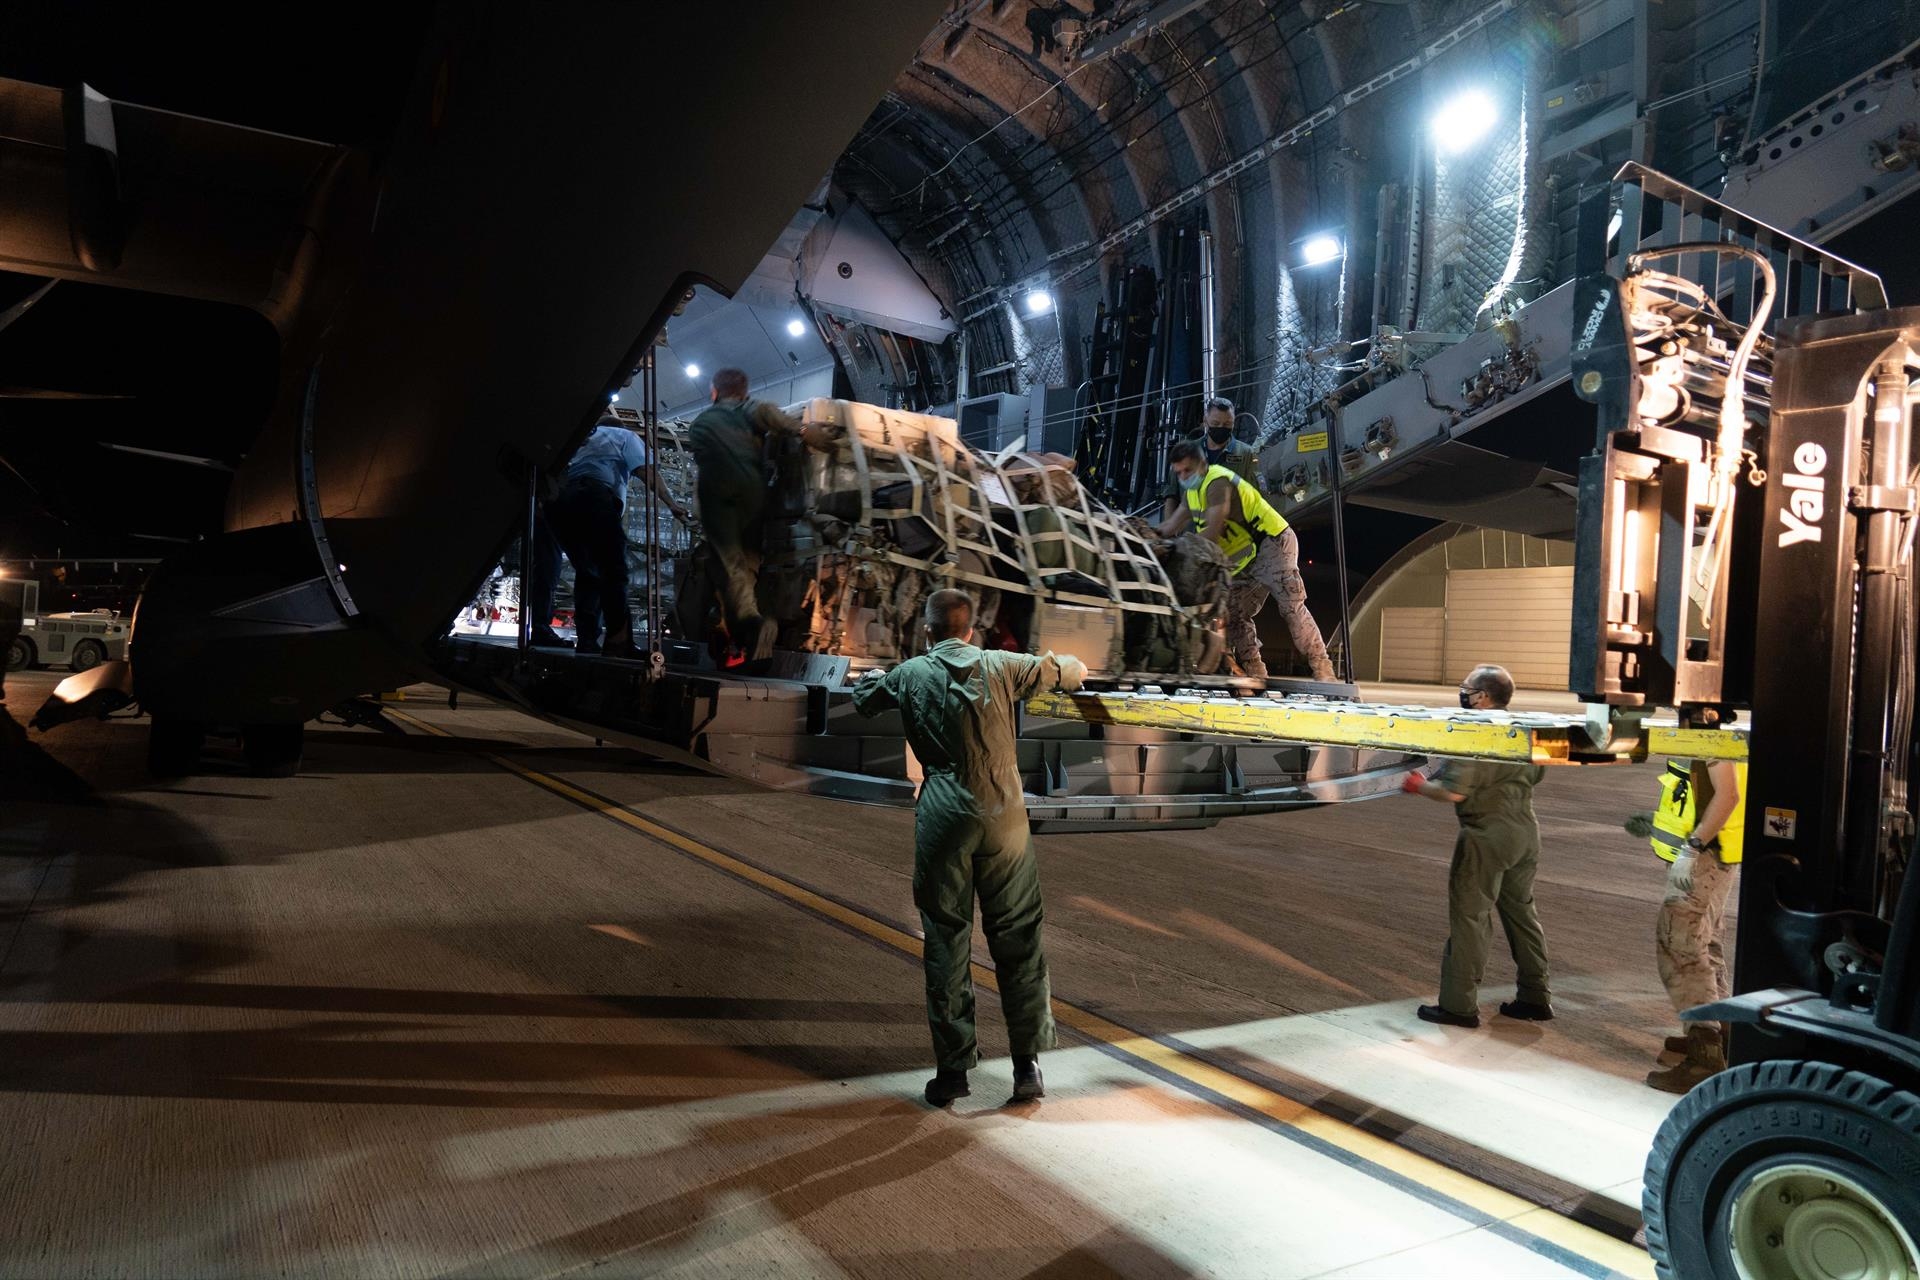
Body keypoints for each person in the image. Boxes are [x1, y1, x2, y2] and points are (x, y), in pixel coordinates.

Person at [851, 588, 1088, 1107]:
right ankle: (1027, 1067)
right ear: (971, 630)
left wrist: (871, 680)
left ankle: (953, 1072)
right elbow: (1067, 669)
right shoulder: (1001, 665)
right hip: (1004, 814)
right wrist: (1069, 665)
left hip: (943, 814)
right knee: (1019, 935)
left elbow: (865, 701)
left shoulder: (910, 672)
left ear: (928, 631)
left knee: (946, 938)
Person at [1401, 664, 1554, 1027]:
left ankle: (1458, 1006)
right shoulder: (1527, 729)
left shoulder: (1475, 733)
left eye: (1467, 688)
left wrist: (1418, 784)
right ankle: (1536, 997)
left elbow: (1452, 791)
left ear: (1483, 697)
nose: (1463, 693)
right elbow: (1541, 771)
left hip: (1486, 835)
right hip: (1525, 832)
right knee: (1522, 914)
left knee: (1471, 917)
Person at [1157, 438, 1335, 681]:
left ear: (1202, 464)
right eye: (1178, 472)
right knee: (1233, 611)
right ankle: (1255, 672)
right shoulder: (1192, 493)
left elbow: (1212, 532)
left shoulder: (1217, 482)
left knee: (1290, 605)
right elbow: (1170, 525)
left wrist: (1180, 556)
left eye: (1187, 470)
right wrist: (1147, 536)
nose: (1183, 476)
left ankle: (1322, 668)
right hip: (1245, 558)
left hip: (1272, 544)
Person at [1626, 754, 1745, 1093]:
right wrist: (1655, 822)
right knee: (1705, 943)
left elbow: (1728, 796)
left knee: (1680, 945)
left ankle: (1704, 1053)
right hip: (1710, 853)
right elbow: (1697, 798)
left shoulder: (1712, 736)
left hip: (1705, 857)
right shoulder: (1702, 733)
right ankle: (1722, 1033)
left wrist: (1692, 847)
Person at [687, 368, 816, 662]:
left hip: (717, 495)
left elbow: (701, 457)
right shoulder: (753, 408)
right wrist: (805, 431)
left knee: (729, 565)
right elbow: (779, 419)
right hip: (754, 494)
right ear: (744, 392)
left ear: (714, 393)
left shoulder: (702, 421)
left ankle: (751, 623)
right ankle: (749, 618)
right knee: (749, 562)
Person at [533, 415, 688, 657]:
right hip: (594, 498)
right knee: (614, 572)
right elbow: (645, 471)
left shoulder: (581, 440)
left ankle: (587, 641)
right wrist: (672, 504)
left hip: (561, 504)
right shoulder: (624, 436)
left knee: (589, 574)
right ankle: (619, 642)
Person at [1158, 395, 1262, 524]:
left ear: (1234, 422)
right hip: (1190, 535)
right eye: (1215, 423)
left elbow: (1255, 499)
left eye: (1227, 424)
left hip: (1229, 536)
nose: (1221, 427)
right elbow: (1171, 495)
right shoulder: (1186, 452)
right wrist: (1170, 529)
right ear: (1205, 420)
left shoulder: (1246, 454)